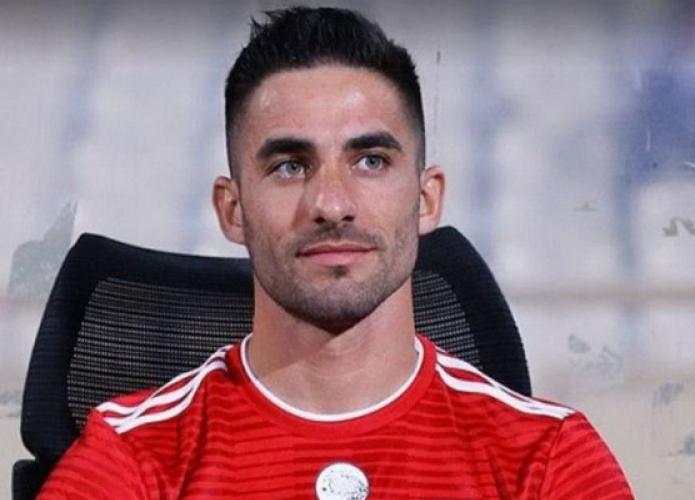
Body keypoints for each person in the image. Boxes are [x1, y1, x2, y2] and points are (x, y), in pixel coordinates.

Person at [39, 7, 634, 499]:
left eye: (370, 161)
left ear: (426, 199)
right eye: (290, 166)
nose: (331, 204)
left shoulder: (547, 459)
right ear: (232, 210)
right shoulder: (130, 459)